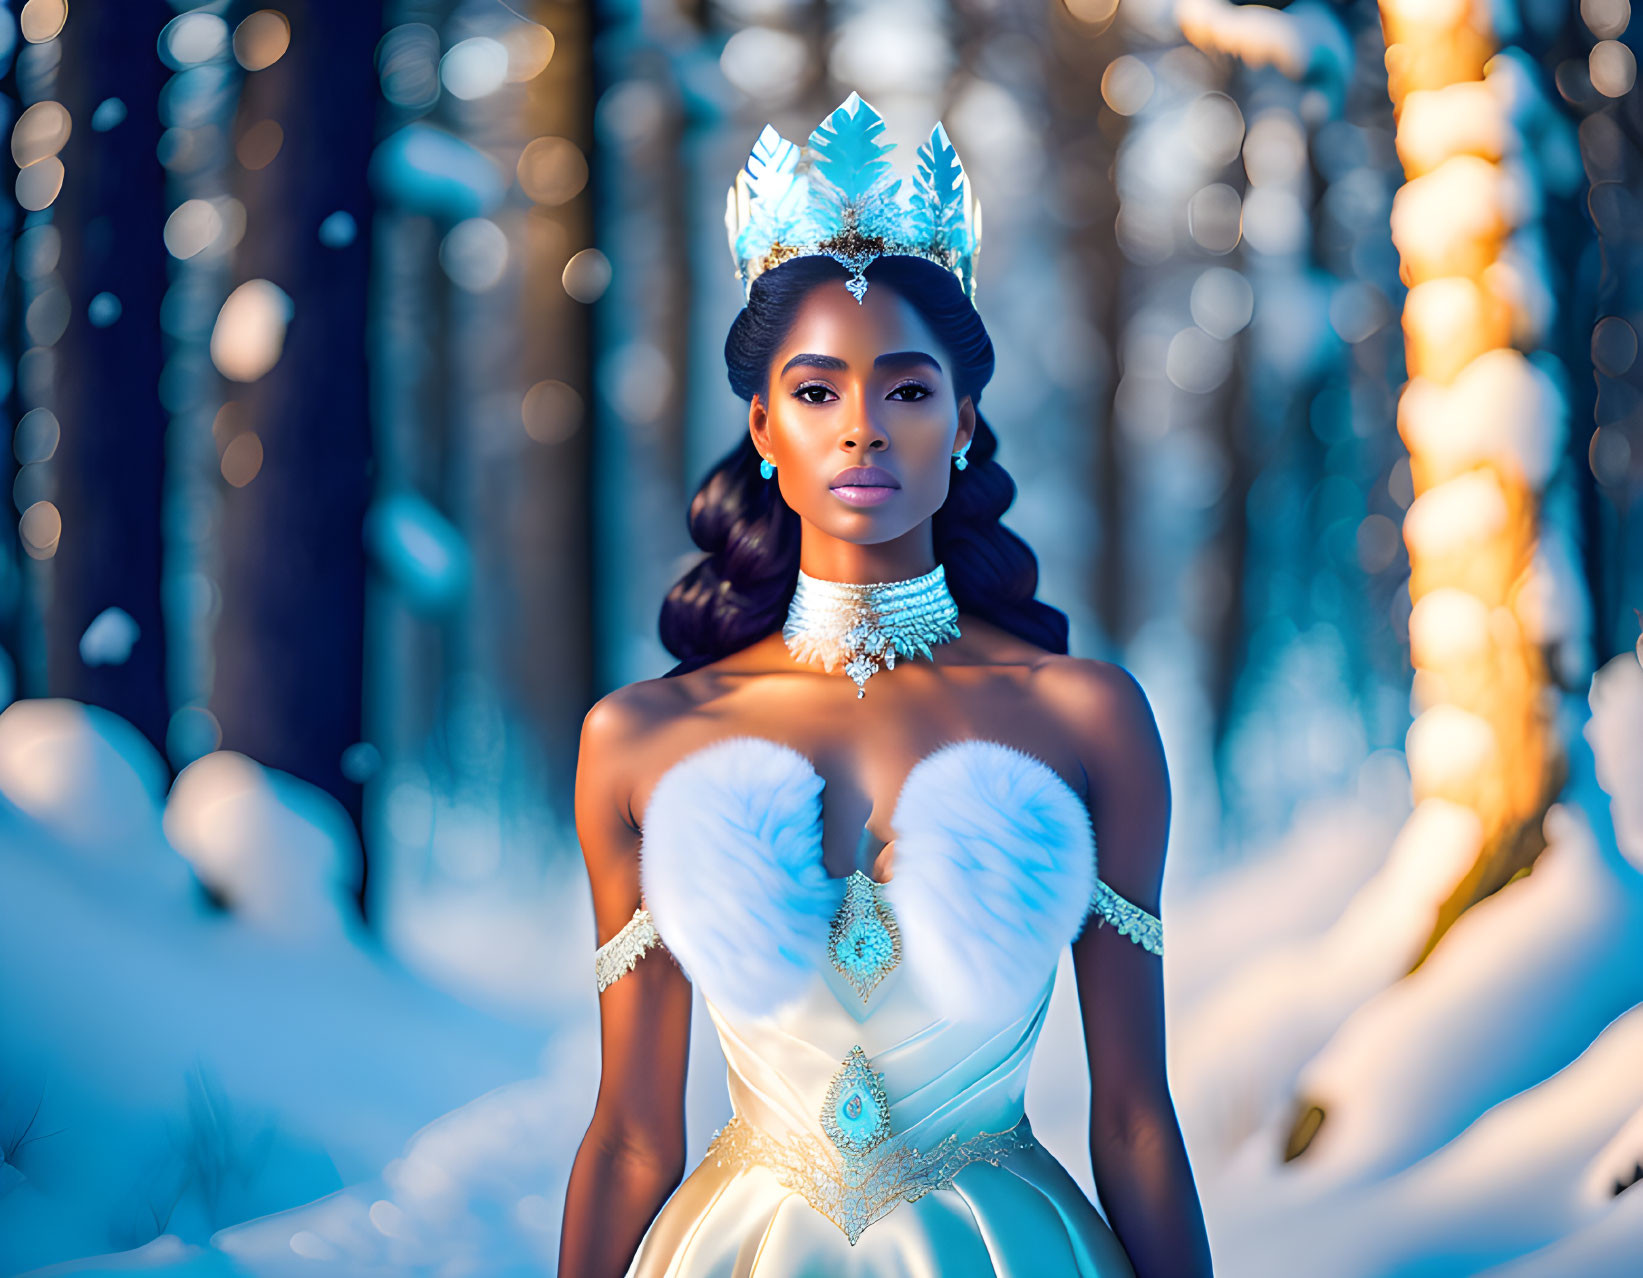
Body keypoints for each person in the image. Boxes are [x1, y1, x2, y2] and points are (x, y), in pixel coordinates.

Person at [558, 93, 1212, 1278]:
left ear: (962, 421)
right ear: (762, 426)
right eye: (817, 393)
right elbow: (630, 1133)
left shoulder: (1084, 716)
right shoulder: (640, 738)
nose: (862, 430)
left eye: (905, 391)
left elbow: (1132, 1118)